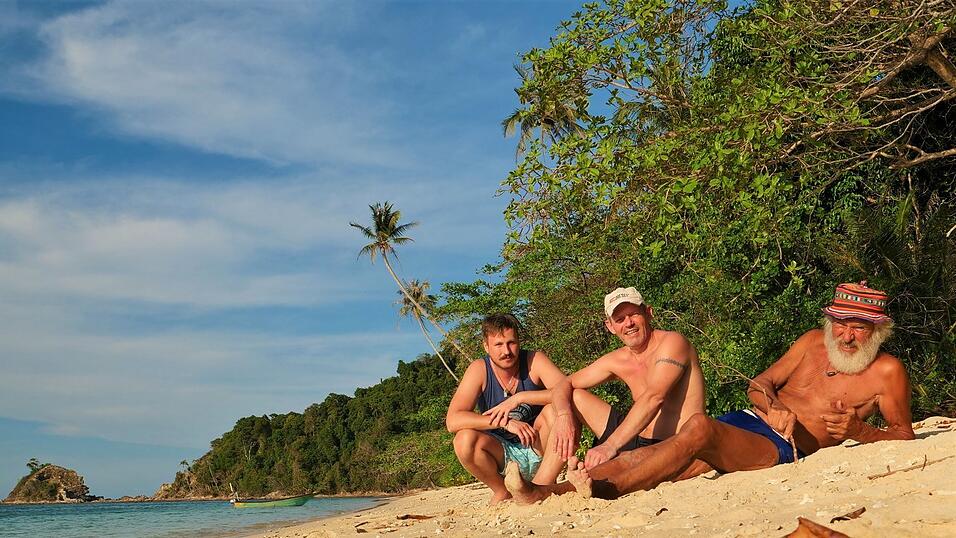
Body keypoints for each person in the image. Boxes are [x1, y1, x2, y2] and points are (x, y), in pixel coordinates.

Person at [505, 281, 915, 502]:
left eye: (858, 327)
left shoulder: (887, 371)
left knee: (698, 428)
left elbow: (904, 435)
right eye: (840, 324)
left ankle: (604, 491)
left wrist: (862, 433)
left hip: (790, 447)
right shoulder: (812, 342)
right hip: (752, 423)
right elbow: (759, 385)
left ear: (877, 330)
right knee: (660, 459)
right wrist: (772, 406)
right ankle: (547, 492)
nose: (846, 335)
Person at [542, 287, 706, 475]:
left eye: (633, 314)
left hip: (676, 444)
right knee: (573, 397)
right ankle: (540, 484)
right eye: (620, 319)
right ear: (610, 326)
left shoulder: (673, 342)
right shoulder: (617, 360)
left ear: (649, 313)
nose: (628, 323)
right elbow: (565, 383)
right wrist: (563, 415)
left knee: (606, 471)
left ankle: (586, 474)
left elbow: (654, 397)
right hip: (637, 440)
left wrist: (609, 446)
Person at [446, 313, 567, 504]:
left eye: (511, 343)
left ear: (519, 342)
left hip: (539, 444)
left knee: (557, 411)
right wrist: (506, 422)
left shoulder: (534, 360)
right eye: (499, 345)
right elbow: (453, 420)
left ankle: (544, 483)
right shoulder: (479, 369)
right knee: (463, 439)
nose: (507, 351)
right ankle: (503, 491)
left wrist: (521, 397)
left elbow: (567, 392)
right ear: (486, 346)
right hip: (503, 453)